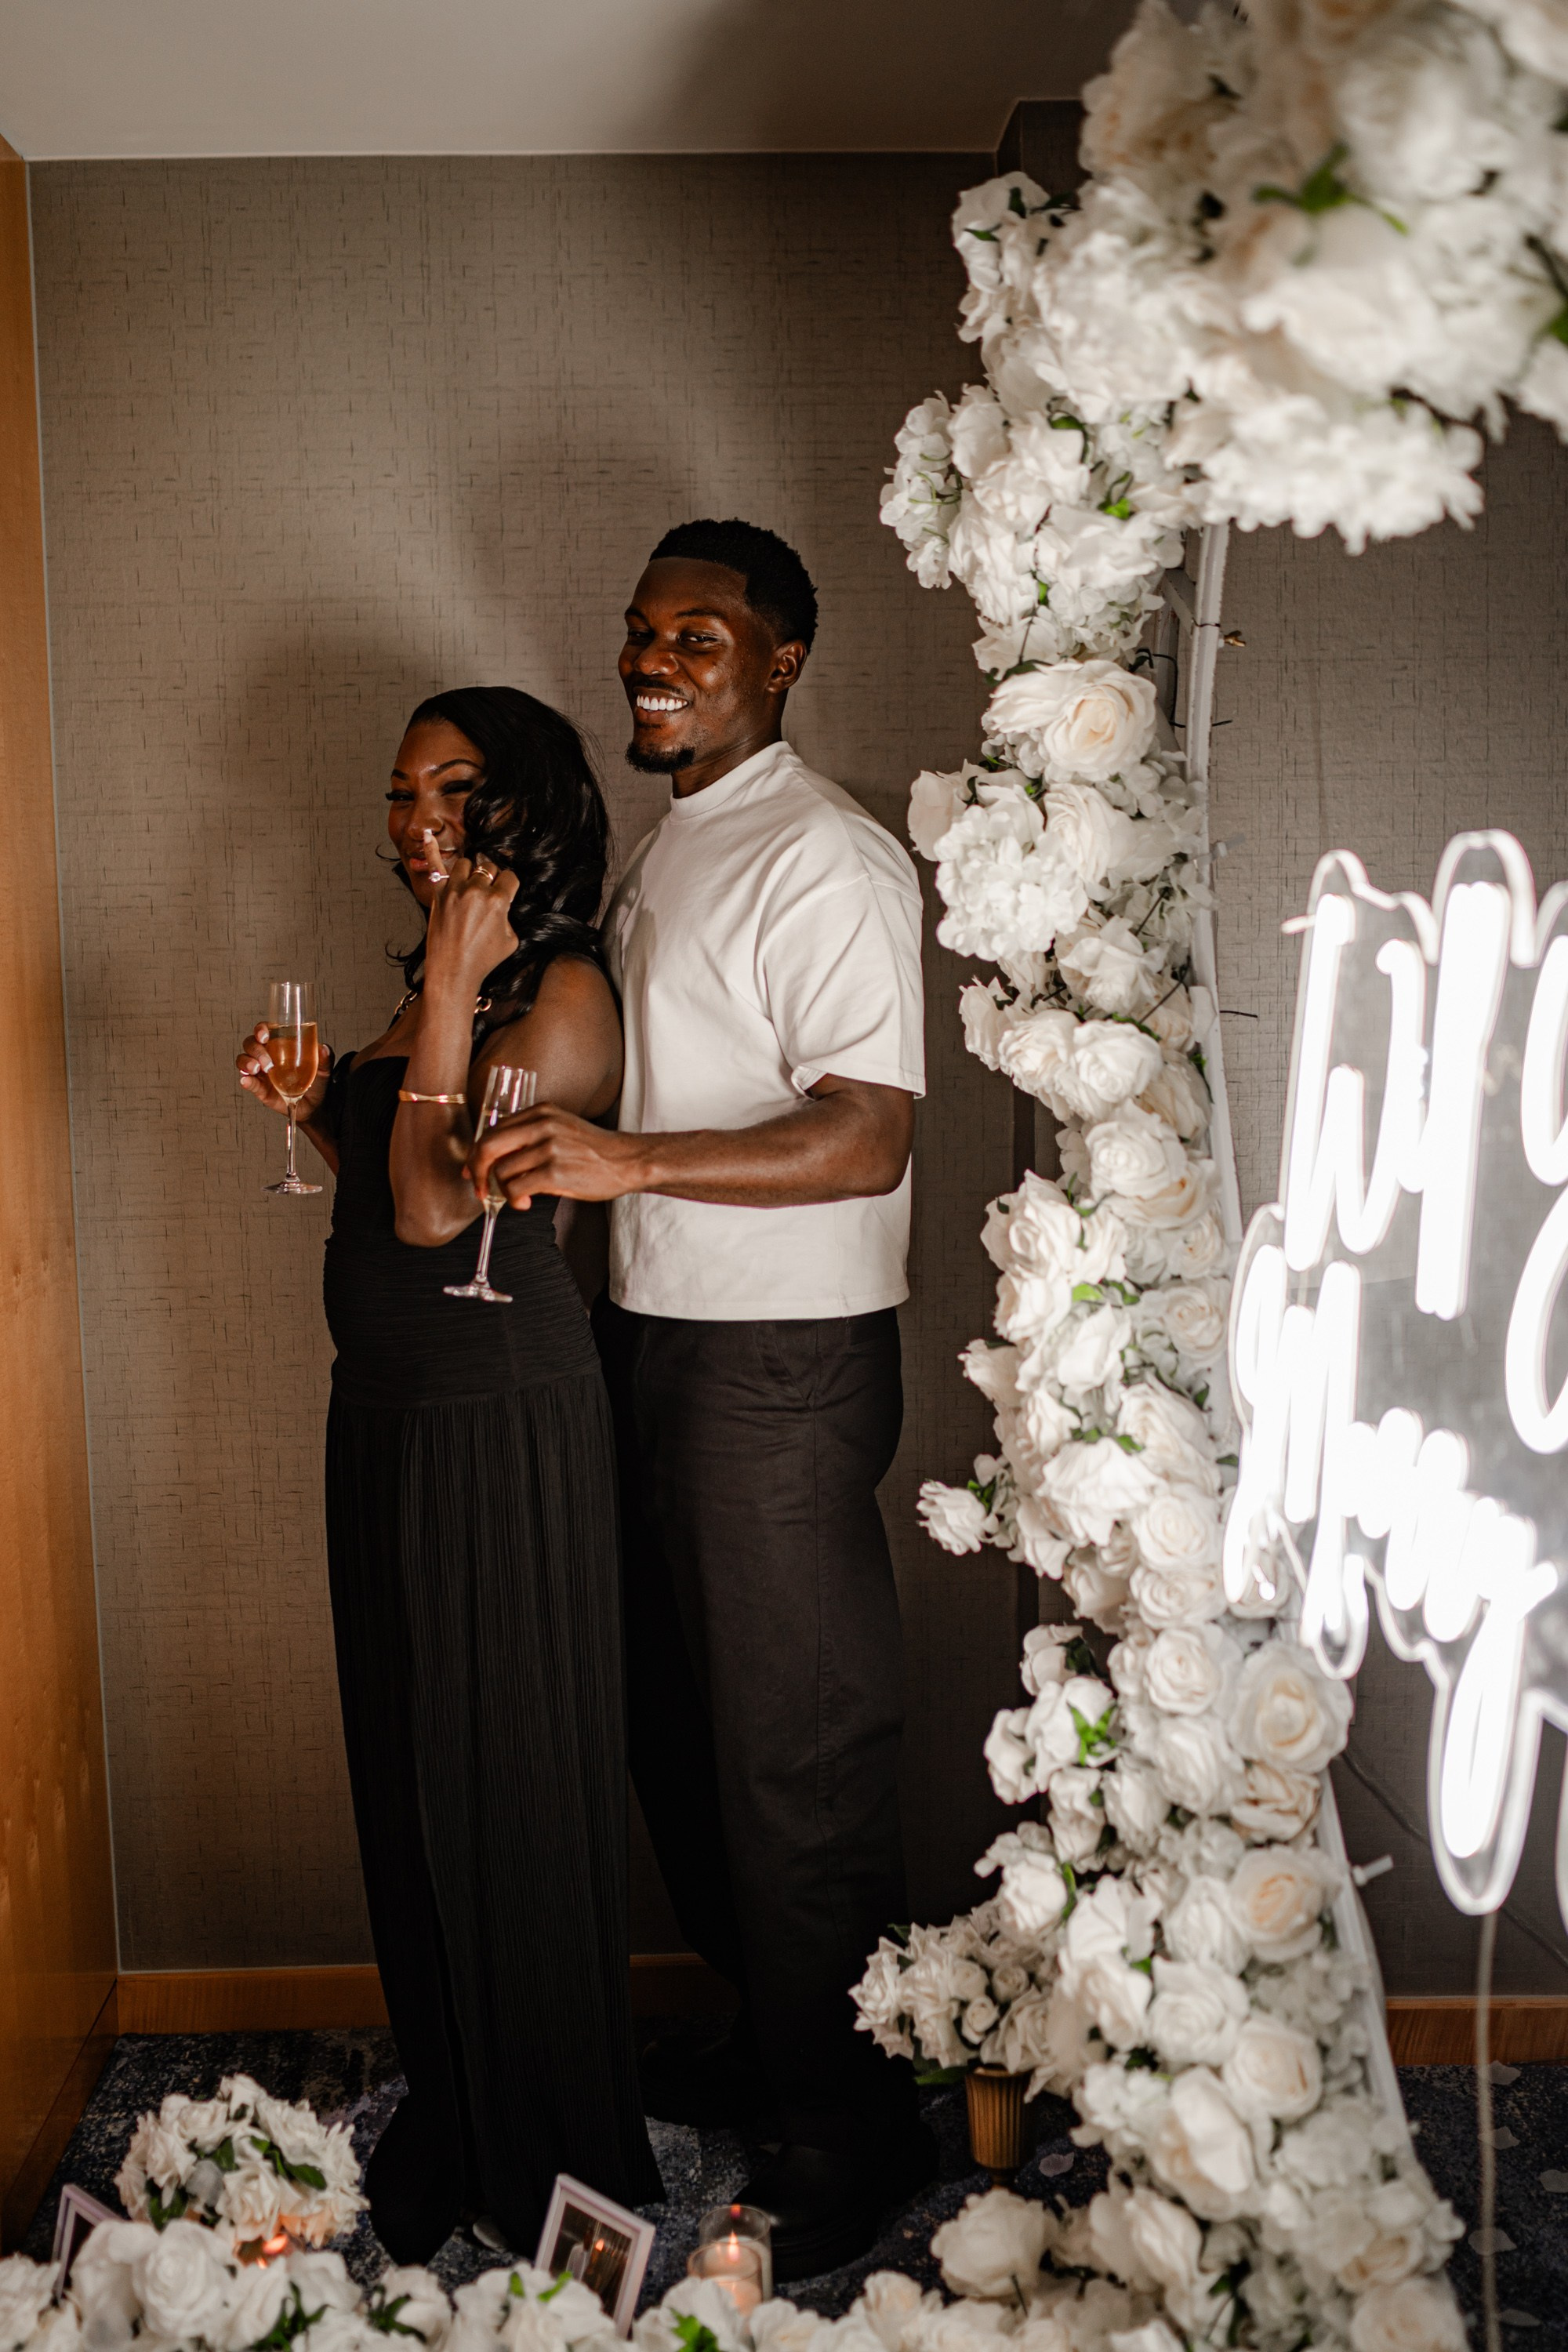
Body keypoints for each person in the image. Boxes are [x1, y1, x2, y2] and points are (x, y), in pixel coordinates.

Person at [470, 521, 933, 2278]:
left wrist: (623, 1157)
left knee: (790, 1750)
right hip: (658, 1339)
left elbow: (867, 1131)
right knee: (684, 1729)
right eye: (640, 627)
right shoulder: (679, 841)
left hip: (784, 1364)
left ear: (783, 658)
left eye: (701, 634)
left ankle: (848, 2127)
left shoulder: (826, 859)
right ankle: (773, 2037)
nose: (654, 657)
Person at [236, 686, 661, 2262]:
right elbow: (395, 1180)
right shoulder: (446, 980)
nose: (416, 816)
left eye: (455, 789)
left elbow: (442, 1222)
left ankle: (549, 2133)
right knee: (411, 1764)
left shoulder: (557, 993)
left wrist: (460, 981)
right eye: (400, 788)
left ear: (525, 807)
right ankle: (461, 2098)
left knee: (506, 1773)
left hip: (499, 1412)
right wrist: (314, 1109)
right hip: (389, 1404)